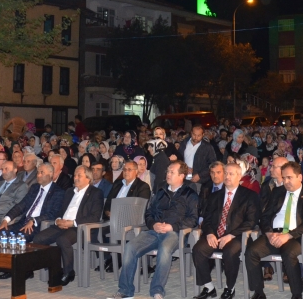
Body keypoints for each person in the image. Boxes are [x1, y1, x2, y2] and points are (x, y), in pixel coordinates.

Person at [109, 161, 198, 299]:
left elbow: (193, 219)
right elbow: (148, 213)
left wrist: (172, 227)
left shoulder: (190, 194)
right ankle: (125, 291)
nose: (167, 174)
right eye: (167, 171)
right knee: (130, 247)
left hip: (175, 233)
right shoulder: (161, 191)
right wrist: (153, 224)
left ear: (182, 176)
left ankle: (157, 291)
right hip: (154, 231)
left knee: (164, 249)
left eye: (171, 172)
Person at [245, 160, 303, 299]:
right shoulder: (278, 192)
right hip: (274, 233)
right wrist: (269, 233)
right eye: (284, 178)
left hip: (296, 236)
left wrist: (288, 236)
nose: (286, 181)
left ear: (300, 177)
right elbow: (265, 216)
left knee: (288, 253)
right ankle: (259, 292)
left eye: (289, 177)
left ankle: (296, 294)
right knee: (251, 252)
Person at [192, 161, 260, 299]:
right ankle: (209, 287)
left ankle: (230, 287)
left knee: (230, 252)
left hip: (236, 236)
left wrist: (231, 235)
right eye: (226, 173)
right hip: (215, 235)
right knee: (198, 249)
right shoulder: (215, 196)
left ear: (239, 176)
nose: (227, 177)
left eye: (231, 174)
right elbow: (208, 219)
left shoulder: (249, 196)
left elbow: (251, 221)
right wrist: (210, 233)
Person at [33, 165, 105, 287]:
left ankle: (68, 272)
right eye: (75, 175)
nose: (75, 178)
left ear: (88, 178)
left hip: (80, 227)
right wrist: (58, 221)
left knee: (63, 240)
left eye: (79, 176)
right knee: (38, 239)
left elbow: (95, 217)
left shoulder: (96, 193)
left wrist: (72, 223)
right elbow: (60, 212)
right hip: (62, 224)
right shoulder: (69, 191)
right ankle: (54, 268)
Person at [0, 162, 65, 241]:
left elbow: (53, 213)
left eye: (42, 172)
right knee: (0, 233)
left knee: (19, 238)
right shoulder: (34, 187)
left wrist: (34, 220)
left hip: (38, 225)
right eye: (38, 172)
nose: (38, 175)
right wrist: (6, 220)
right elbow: (21, 205)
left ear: (51, 174)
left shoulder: (57, 192)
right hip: (24, 221)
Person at [180, 126, 218, 192]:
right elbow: (179, 159)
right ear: (191, 133)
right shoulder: (184, 143)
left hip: (199, 181)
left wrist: (199, 175)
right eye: (194, 135)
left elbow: (213, 164)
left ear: (203, 135)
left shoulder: (207, 147)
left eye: (199, 135)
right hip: (183, 179)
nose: (196, 137)